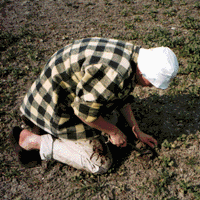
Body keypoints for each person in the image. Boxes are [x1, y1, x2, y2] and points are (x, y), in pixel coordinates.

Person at [10, 37, 179, 174]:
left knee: (112, 118)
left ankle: (53, 131)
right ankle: (33, 140)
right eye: (151, 83)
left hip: (64, 94)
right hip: (51, 107)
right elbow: (83, 112)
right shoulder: (116, 73)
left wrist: (137, 130)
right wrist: (113, 131)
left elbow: (121, 97)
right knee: (100, 163)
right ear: (143, 73)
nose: (149, 87)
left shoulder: (133, 56)